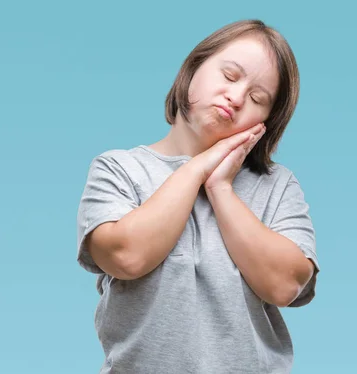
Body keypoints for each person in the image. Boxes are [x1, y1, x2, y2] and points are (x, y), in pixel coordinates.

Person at [76, 19, 320, 373]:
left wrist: (221, 188)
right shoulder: (119, 169)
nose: (236, 98)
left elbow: (285, 285)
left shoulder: (278, 186)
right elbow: (124, 256)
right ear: (192, 69)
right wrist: (199, 167)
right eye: (230, 76)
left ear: (267, 122)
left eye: (257, 98)